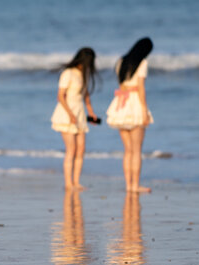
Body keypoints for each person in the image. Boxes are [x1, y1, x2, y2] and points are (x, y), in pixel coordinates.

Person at [107, 37, 154, 193]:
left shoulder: (121, 61)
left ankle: (128, 185)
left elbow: (121, 85)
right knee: (136, 150)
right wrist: (145, 111)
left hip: (121, 103)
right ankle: (135, 185)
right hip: (134, 104)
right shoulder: (142, 63)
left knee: (127, 150)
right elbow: (141, 88)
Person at [51, 47, 100, 190]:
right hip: (67, 113)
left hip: (79, 113)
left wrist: (91, 113)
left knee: (81, 149)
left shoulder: (82, 74)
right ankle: (68, 183)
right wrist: (70, 114)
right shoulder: (68, 73)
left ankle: (76, 181)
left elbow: (86, 95)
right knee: (71, 149)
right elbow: (60, 96)